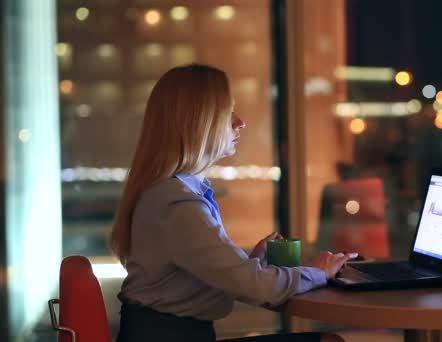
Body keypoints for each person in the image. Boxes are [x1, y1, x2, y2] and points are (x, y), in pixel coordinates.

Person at [110, 64, 356, 342]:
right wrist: (318, 272)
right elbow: (255, 289)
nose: (240, 122)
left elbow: (216, 280)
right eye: (227, 113)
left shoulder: (171, 193)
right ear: (199, 122)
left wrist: (249, 264)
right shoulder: (177, 205)